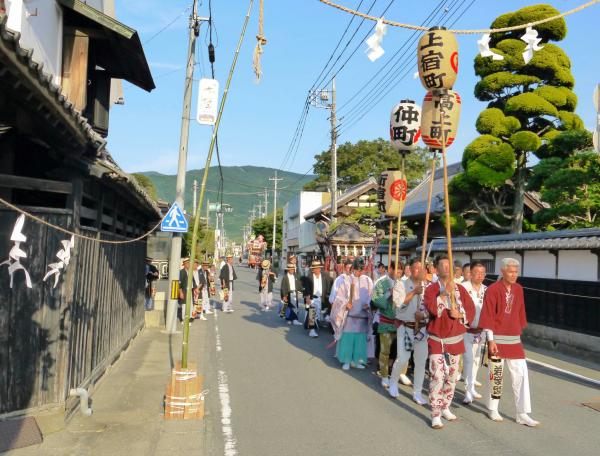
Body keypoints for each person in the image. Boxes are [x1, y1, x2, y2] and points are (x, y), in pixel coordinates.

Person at [478, 258, 540, 427]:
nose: (514, 275)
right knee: (496, 375)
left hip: (514, 340)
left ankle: (522, 413)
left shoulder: (519, 289)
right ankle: (493, 408)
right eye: (511, 271)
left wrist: (519, 330)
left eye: (516, 272)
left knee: (521, 374)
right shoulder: (492, 290)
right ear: (503, 271)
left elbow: (520, 311)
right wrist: (490, 340)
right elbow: (488, 315)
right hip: (496, 339)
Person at [424, 254, 475, 429]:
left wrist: (459, 315)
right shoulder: (431, 289)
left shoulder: (460, 289)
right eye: (442, 265)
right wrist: (445, 293)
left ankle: (446, 406)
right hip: (437, 339)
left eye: (449, 265)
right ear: (436, 269)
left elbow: (471, 311)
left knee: (452, 376)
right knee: (438, 376)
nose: (446, 268)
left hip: (456, 339)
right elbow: (431, 309)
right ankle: (436, 413)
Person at [389, 258, 429, 405]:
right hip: (406, 327)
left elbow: (432, 308)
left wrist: (424, 315)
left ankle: (417, 392)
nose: (419, 270)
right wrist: (413, 293)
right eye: (416, 268)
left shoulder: (428, 286)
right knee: (403, 359)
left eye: (421, 268)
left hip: (422, 329)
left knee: (420, 362)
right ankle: (393, 382)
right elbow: (399, 304)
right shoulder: (401, 284)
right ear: (410, 269)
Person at [330, 258, 373, 371]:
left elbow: (371, 296)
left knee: (360, 340)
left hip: (362, 316)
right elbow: (338, 297)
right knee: (348, 338)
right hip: (349, 315)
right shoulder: (345, 280)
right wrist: (345, 303)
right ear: (353, 268)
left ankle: (358, 360)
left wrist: (368, 304)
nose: (359, 272)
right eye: (357, 269)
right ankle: (346, 360)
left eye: (361, 269)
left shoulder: (368, 281)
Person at [461, 261, 487, 404]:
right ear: (470, 273)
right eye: (477, 273)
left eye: (483, 273)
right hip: (465, 330)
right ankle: (467, 391)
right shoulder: (463, 288)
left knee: (477, 359)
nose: (480, 276)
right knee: (468, 359)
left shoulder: (486, 290)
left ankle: (471, 386)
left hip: (480, 331)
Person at [371, 261, 397, 388]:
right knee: (385, 351)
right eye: (395, 269)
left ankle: (396, 374)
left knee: (398, 352)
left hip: (400, 323)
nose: (398, 272)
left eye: (400, 269)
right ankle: (384, 375)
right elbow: (376, 300)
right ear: (390, 269)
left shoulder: (403, 283)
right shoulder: (382, 283)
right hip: (386, 320)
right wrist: (389, 294)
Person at [302, 259, 332, 337]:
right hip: (312, 298)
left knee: (320, 314)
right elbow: (307, 288)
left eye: (318, 268)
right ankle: (312, 330)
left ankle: (317, 325)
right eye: (315, 268)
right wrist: (308, 298)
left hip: (321, 298)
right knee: (312, 312)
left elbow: (329, 285)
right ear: (312, 269)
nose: (316, 269)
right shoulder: (309, 276)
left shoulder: (325, 276)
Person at [178, 258, 196, 323]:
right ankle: (183, 319)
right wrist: (181, 292)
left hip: (190, 291)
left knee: (190, 305)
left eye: (189, 263)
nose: (188, 265)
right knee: (184, 305)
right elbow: (179, 283)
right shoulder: (182, 272)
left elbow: (193, 281)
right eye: (187, 263)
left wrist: (196, 288)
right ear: (184, 264)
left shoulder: (190, 271)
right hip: (184, 291)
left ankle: (189, 318)